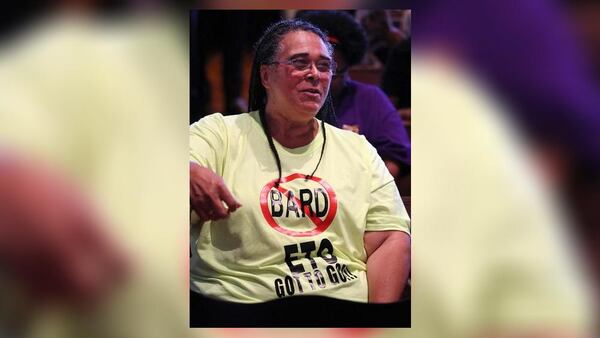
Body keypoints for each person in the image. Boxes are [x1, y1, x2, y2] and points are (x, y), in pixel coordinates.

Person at [189, 19, 410, 308]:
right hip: (240, 308)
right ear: (266, 76)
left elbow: (390, 237)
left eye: (324, 65)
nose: (314, 75)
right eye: (300, 62)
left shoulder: (358, 148)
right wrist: (189, 171)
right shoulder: (219, 133)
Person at [297, 11, 410, 184]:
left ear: (347, 66)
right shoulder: (292, 100)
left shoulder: (370, 98)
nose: (320, 79)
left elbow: (395, 157)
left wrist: (365, 191)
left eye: (331, 71)